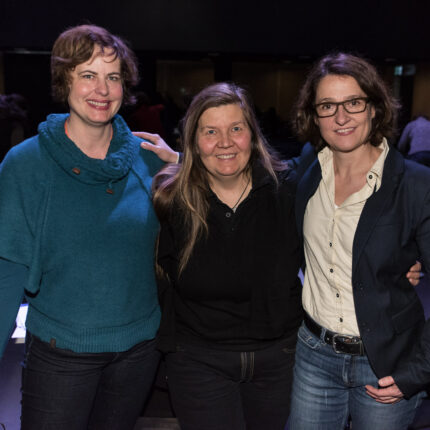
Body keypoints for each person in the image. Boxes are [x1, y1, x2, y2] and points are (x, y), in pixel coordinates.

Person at [0, 25, 176, 430]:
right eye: (88, 75)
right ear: (64, 80)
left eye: (113, 77)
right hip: (59, 356)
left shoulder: (151, 160)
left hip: (138, 353)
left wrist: (183, 163)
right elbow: (7, 271)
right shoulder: (25, 164)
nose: (102, 89)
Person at [288, 52, 430, 430]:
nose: (341, 117)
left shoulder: (416, 185)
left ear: (374, 108)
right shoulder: (307, 169)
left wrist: (418, 371)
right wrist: (181, 160)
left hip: (386, 364)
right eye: (327, 106)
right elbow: (246, 174)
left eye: (353, 102)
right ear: (314, 116)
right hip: (314, 355)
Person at [149, 82, 303, 430]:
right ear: (193, 141)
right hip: (198, 362)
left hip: (281, 360)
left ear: (253, 135)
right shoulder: (171, 199)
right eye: (210, 132)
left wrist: (393, 263)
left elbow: (336, 240)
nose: (225, 142)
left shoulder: (288, 191)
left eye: (236, 128)